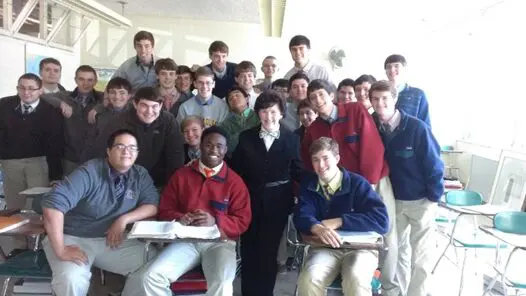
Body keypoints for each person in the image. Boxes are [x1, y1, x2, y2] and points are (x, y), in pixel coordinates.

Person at [122, 126, 251, 296]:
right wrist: (180, 218)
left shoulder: (235, 182)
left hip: (220, 242)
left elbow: (243, 220)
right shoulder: (182, 175)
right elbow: (165, 210)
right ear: (200, 146)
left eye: (219, 146)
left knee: (222, 283)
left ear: (226, 150)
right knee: (149, 277)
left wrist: (216, 221)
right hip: (184, 241)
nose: (213, 150)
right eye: (208, 145)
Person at [303, 79, 397, 296]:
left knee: (385, 234)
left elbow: (372, 147)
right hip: (337, 187)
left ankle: (389, 287)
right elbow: (309, 160)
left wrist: (367, 184)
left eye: (321, 95)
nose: (318, 100)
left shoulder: (355, 110)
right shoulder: (315, 128)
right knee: (344, 233)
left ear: (332, 94)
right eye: (313, 97)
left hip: (371, 182)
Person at [41, 129, 160, 296]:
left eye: (132, 148)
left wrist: (123, 220)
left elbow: (152, 204)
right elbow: (53, 205)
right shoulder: (90, 171)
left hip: (111, 241)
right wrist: (61, 249)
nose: (127, 151)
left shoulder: (139, 174)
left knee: (155, 265)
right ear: (108, 151)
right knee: (71, 278)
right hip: (73, 238)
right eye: (120, 146)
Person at [370, 80, 444, 296]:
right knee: (397, 252)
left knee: (420, 256)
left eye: (385, 98)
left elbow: (435, 165)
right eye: (375, 99)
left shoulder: (416, 128)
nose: (380, 103)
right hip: (394, 201)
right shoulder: (374, 128)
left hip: (421, 201)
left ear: (394, 100)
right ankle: (398, 292)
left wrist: (433, 198)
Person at [294, 137, 389, 296]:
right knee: (309, 279)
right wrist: (316, 227)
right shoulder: (309, 185)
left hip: (361, 249)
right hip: (325, 248)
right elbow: (302, 214)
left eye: (326, 158)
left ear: (337, 159)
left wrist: (340, 221)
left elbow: (382, 221)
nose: (321, 165)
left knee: (356, 278)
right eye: (316, 160)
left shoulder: (357, 184)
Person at [232, 91, 303, 296]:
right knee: (248, 249)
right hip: (249, 199)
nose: (268, 116)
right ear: (258, 114)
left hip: (279, 201)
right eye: (264, 111)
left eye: (273, 111)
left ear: (281, 113)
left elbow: (298, 171)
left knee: (268, 251)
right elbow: (235, 170)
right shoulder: (246, 137)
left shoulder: (292, 139)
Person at [0, 73, 63, 253]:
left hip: (39, 163)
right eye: (22, 88)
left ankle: (38, 247)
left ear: (40, 90)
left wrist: (55, 176)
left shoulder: (50, 111)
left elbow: (55, 144)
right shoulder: (4, 105)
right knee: (14, 205)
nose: (26, 92)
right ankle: (19, 248)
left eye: (31, 88)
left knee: (36, 206)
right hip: (11, 163)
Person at [90, 86, 184, 187]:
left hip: (157, 182)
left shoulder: (168, 121)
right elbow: (101, 151)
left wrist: (171, 186)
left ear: (161, 106)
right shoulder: (119, 122)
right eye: (144, 105)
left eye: (154, 106)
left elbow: (176, 155)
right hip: (123, 182)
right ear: (135, 104)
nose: (149, 111)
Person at [42, 65, 105, 175]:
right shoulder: (64, 96)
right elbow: (42, 96)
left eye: (90, 80)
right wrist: (60, 103)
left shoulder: (102, 98)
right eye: (81, 79)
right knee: (70, 189)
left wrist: (99, 107)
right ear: (75, 80)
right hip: (70, 157)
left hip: (95, 158)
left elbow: (122, 99)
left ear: (95, 81)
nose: (85, 83)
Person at [384, 54, 430, 126]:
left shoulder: (418, 94)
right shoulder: (379, 95)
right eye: (388, 67)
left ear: (404, 69)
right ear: (385, 72)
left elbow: (425, 125)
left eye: (396, 66)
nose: (392, 70)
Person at [220, 87, 260, 159]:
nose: (234, 98)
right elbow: (230, 146)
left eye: (237, 95)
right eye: (231, 99)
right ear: (229, 106)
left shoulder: (259, 116)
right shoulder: (225, 124)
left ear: (247, 98)